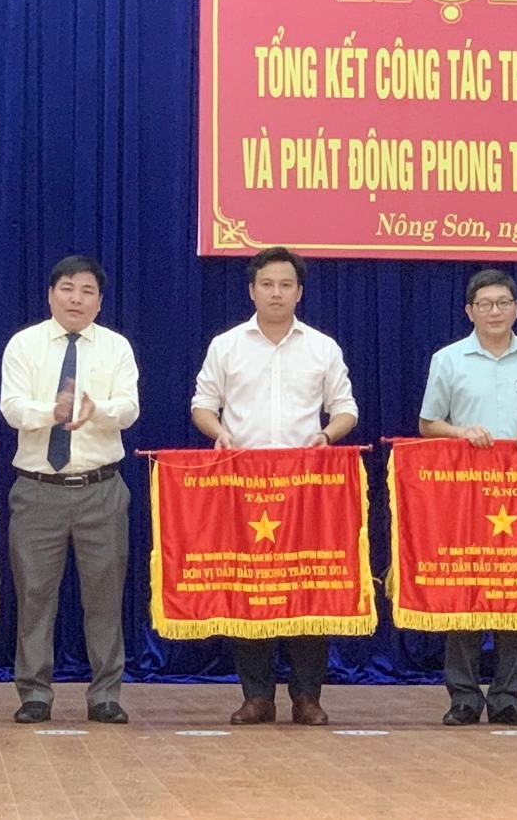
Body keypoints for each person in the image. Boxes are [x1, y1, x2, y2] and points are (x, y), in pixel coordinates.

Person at [191, 247, 357, 726]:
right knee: (251, 586)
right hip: (244, 484)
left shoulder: (322, 347)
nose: (277, 293)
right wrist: (217, 432)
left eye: (286, 285)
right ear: (252, 290)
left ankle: (307, 696)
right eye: (267, 284)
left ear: (299, 292)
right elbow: (203, 404)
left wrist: (327, 435)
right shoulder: (227, 345)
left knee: (307, 584)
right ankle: (257, 695)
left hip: (306, 485)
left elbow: (345, 409)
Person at [419, 268, 517, 727]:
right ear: (470, 311)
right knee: (465, 588)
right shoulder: (448, 359)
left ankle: (507, 695)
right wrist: (461, 432)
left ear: (516, 308)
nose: (495, 311)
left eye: (503, 303)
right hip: (465, 493)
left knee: (515, 591)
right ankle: (463, 696)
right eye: (485, 304)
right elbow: (428, 425)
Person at [0, 256, 140, 725]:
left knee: (104, 596)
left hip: (101, 488)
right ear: (50, 294)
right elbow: (13, 408)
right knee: (35, 595)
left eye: (86, 291)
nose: (75, 298)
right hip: (38, 490)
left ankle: (105, 695)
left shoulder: (116, 347)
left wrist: (92, 408)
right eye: (66, 288)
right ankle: (34, 693)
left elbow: (128, 409)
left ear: (99, 301)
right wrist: (54, 412)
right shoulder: (24, 344)